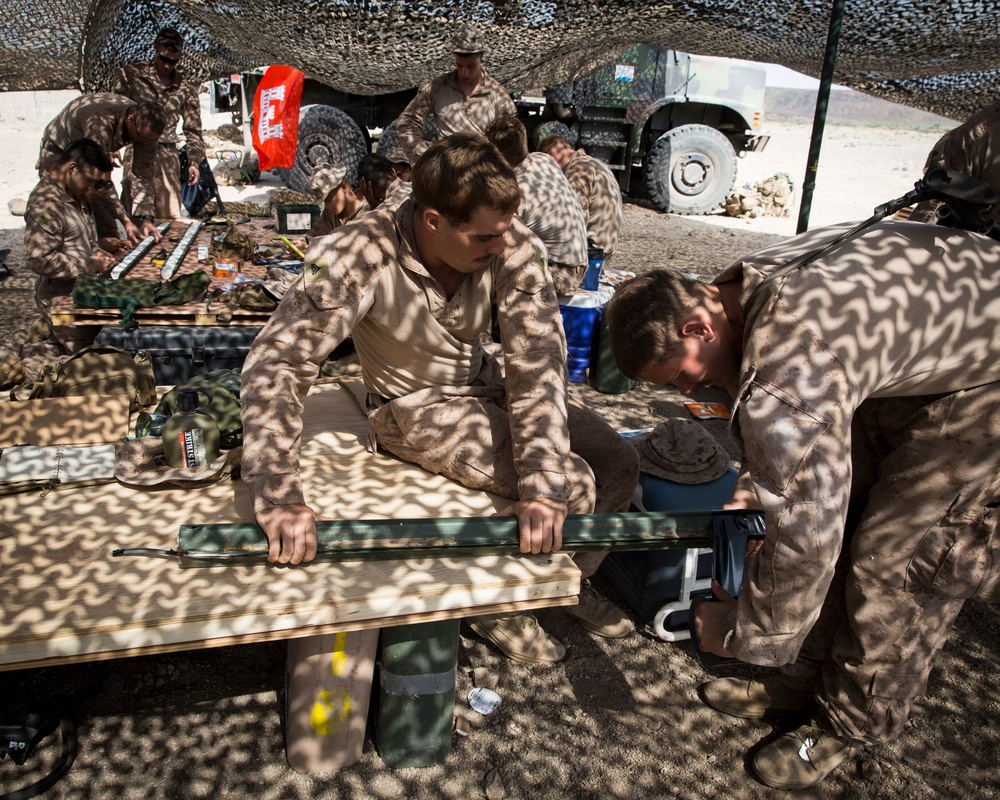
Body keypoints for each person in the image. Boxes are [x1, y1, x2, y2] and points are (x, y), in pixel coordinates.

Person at [603, 220, 1000, 789]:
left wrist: (746, 635)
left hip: (983, 380)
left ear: (698, 326)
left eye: (682, 378)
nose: (687, 394)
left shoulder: (791, 360)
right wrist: (759, 477)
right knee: (854, 510)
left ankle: (850, 721)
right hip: (926, 354)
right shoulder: (738, 291)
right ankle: (802, 675)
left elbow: (804, 534)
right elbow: (801, 459)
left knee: (900, 558)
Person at [240, 133, 639, 664]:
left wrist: (540, 480)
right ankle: (501, 602)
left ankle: (566, 574)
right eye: (483, 238)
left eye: (502, 233)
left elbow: (537, 362)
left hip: (484, 377)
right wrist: (279, 493)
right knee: (574, 484)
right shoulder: (357, 252)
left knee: (617, 461)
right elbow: (278, 362)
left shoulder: (507, 238)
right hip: (413, 407)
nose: (500, 246)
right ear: (432, 221)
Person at [24, 138, 126, 353]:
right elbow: (39, 259)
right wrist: (91, 264)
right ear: (72, 168)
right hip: (62, 299)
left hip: (86, 293)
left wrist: (102, 251)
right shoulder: (47, 202)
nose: (97, 189)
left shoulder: (76, 194)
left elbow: (79, 240)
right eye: (94, 181)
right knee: (83, 364)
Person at [36, 93, 166, 244]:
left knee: (107, 228)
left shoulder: (144, 129)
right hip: (59, 153)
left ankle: (103, 258)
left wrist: (146, 218)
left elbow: (143, 173)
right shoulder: (100, 122)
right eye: (141, 138)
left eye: (150, 140)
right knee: (74, 219)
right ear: (130, 120)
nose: (144, 143)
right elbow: (98, 177)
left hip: (87, 156)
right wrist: (125, 221)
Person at [485, 115, 589, 296]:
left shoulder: (516, 190)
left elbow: (496, 239)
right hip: (580, 266)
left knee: (489, 255)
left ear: (497, 155)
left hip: (559, 274)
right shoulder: (543, 159)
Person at [112, 26, 207, 221]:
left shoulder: (185, 88)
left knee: (168, 219)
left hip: (167, 156)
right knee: (135, 213)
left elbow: (193, 130)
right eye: (164, 59)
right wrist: (112, 147)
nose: (167, 65)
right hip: (135, 149)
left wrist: (194, 162)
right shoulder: (131, 76)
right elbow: (114, 112)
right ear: (155, 48)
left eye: (174, 61)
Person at [395, 26, 516, 165]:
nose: (465, 73)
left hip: (481, 173)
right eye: (459, 66)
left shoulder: (497, 94)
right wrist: (424, 157)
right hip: (445, 172)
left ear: (481, 56)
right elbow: (406, 122)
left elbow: (511, 137)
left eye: (471, 66)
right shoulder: (437, 88)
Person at [539, 134, 623, 260]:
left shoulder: (578, 171)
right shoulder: (595, 163)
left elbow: (574, 222)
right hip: (605, 246)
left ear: (550, 159)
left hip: (592, 251)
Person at [307, 163, 368, 239]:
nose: (327, 205)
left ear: (344, 187)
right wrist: (303, 243)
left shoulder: (368, 213)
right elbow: (314, 233)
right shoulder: (330, 214)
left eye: (329, 198)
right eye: (325, 201)